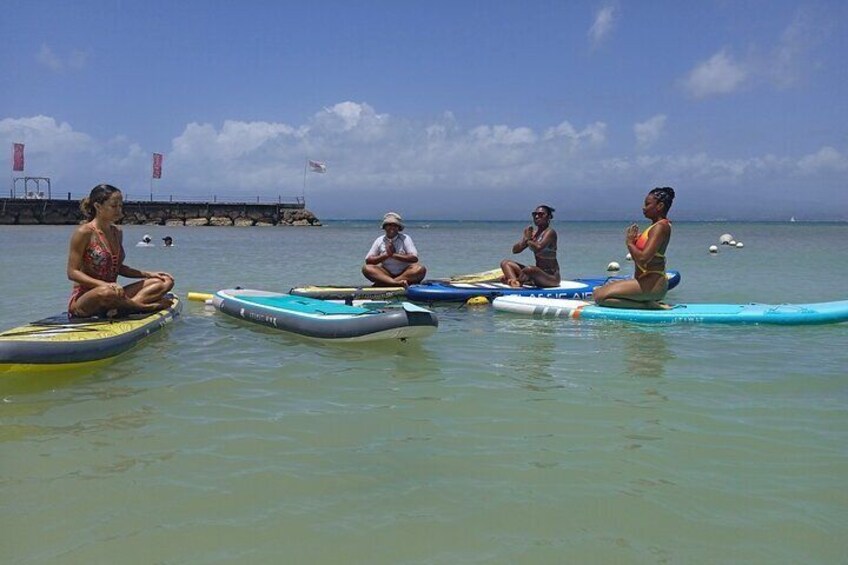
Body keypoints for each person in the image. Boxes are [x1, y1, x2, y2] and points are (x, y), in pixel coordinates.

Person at [67, 184, 175, 318]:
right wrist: (104, 285)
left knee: (165, 281)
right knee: (106, 292)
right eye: (114, 206)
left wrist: (148, 274)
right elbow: (72, 273)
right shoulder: (84, 232)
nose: (119, 210)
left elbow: (118, 268)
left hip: (114, 293)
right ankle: (141, 307)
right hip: (88, 299)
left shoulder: (117, 232)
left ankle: (126, 307)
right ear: (98, 206)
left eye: (120, 206)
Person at [593, 186, 675, 309]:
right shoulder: (654, 226)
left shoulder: (661, 227)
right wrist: (635, 242)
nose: (643, 207)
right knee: (597, 292)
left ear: (660, 206)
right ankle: (645, 303)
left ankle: (648, 306)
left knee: (600, 297)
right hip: (644, 283)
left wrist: (630, 243)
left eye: (647, 204)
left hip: (653, 285)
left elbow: (643, 259)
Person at [500, 205, 560, 288]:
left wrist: (528, 240)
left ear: (549, 217)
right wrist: (525, 240)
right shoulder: (533, 234)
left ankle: (516, 282)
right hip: (536, 276)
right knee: (505, 263)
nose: (536, 216)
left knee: (529, 269)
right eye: (534, 214)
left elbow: (538, 248)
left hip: (551, 278)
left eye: (541, 214)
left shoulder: (550, 232)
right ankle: (515, 282)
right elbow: (515, 250)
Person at [362, 212, 426, 287]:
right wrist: (386, 255)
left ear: (398, 228)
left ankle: (387, 283)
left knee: (420, 269)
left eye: (394, 225)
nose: (391, 227)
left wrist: (393, 255)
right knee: (366, 268)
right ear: (384, 227)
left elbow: (414, 258)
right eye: (389, 225)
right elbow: (368, 260)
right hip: (386, 273)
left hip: (405, 274)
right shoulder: (379, 240)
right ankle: (395, 283)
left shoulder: (405, 238)